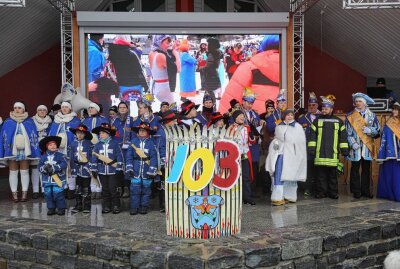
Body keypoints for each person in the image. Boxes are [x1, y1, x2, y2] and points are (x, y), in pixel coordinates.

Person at [219, 35, 280, 114]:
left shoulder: (249, 66)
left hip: (256, 118)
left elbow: (232, 98)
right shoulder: (298, 68)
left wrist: (224, 120)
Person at [308, 95, 349, 199]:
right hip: (319, 153)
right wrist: (311, 148)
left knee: (332, 176)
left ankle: (333, 193)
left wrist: (344, 150)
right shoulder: (317, 121)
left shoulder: (338, 121)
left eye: (326, 108)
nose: (324, 110)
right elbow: (312, 136)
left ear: (331, 109)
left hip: (333, 153)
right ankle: (321, 192)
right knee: (320, 176)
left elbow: (343, 137)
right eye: (323, 108)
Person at [0, 102, 41, 202]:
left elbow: (33, 135)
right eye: (15, 108)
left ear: (24, 109)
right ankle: (14, 194)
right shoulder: (8, 122)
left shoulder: (29, 122)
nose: (17, 109)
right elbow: (4, 135)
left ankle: (24, 193)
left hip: (25, 151)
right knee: (13, 172)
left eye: (19, 108)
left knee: (24, 171)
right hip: (12, 150)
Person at [266, 109, 307, 206]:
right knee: (279, 173)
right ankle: (277, 197)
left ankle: (290, 195)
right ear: (284, 116)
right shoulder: (279, 126)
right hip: (280, 154)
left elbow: (301, 142)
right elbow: (276, 139)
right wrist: (275, 147)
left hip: (292, 155)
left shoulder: (298, 127)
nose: (289, 117)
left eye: (291, 115)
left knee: (291, 174)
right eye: (287, 115)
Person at [345, 92, 380, 199]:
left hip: (367, 147)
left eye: (360, 101)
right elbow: (347, 132)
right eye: (356, 101)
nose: (358, 103)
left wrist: (370, 130)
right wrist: (352, 143)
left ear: (364, 103)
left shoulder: (372, 115)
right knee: (355, 170)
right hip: (355, 148)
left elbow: (378, 129)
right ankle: (356, 191)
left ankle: (366, 191)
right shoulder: (350, 116)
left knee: (366, 170)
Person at [48, 101, 81, 199]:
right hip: (58, 149)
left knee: (70, 168)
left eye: (66, 107)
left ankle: (71, 189)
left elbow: (78, 135)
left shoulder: (76, 121)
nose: (64, 109)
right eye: (63, 107)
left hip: (70, 147)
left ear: (70, 109)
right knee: (60, 168)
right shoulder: (56, 120)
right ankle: (63, 187)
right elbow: (51, 134)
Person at [126, 122, 158, 215]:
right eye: (140, 130)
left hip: (147, 170)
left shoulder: (151, 143)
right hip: (135, 169)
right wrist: (129, 168)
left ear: (148, 132)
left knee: (146, 190)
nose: (142, 132)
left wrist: (151, 170)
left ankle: (144, 206)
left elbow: (154, 157)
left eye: (144, 131)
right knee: (134, 190)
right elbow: (129, 156)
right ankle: (134, 207)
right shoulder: (133, 142)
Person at [91, 123, 123, 214]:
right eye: (100, 133)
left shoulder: (115, 144)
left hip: (112, 170)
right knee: (105, 189)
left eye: (103, 133)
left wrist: (119, 169)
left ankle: (116, 205)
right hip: (101, 170)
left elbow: (119, 157)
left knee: (113, 189)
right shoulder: (97, 145)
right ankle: (107, 205)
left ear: (108, 133)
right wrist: (94, 169)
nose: (100, 135)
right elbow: (94, 158)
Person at [105, 35, 148, 102]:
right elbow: (139, 71)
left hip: (121, 85)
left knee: (124, 106)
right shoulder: (132, 54)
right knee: (140, 105)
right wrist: (145, 85)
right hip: (136, 85)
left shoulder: (112, 54)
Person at [230, 109, 257, 205]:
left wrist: (252, 136)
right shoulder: (230, 128)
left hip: (245, 154)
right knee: (235, 177)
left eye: (243, 116)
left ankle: (247, 198)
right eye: (240, 116)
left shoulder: (247, 127)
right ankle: (235, 198)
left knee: (246, 177)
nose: (242, 117)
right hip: (235, 156)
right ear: (235, 118)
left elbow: (252, 142)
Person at [297, 92, 321, 196]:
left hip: (320, 147)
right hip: (306, 148)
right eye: (310, 105)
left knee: (319, 169)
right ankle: (307, 188)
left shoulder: (322, 116)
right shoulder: (302, 118)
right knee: (308, 169)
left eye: (314, 105)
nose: (312, 107)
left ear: (317, 105)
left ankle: (318, 188)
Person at [38, 136, 68, 216]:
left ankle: (61, 208)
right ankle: (51, 208)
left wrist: (55, 168)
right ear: (47, 146)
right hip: (47, 179)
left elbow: (64, 164)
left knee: (58, 193)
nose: (53, 146)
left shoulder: (60, 155)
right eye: (50, 145)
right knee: (48, 194)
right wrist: (44, 168)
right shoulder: (43, 157)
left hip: (58, 179)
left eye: (54, 144)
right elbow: (39, 166)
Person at [376, 102, 400, 201]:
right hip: (391, 154)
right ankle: (390, 194)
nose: (394, 111)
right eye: (393, 109)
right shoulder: (388, 123)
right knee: (391, 176)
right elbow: (384, 139)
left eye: (396, 109)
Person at [241, 88, 262, 196]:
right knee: (244, 170)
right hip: (242, 146)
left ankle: (252, 191)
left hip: (253, 147)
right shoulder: (238, 113)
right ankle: (244, 192)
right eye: (248, 103)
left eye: (252, 103)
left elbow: (258, 128)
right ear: (243, 101)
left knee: (254, 168)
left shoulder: (255, 114)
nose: (250, 105)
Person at [111, 101, 135, 198]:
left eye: (124, 107)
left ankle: (126, 188)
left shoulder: (132, 120)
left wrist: (131, 144)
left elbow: (134, 134)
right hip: (117, 148)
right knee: (118, 167)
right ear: (118, 109)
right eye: (120, 107)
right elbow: (112, 134)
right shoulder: (114, 121)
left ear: (127, 108)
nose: (122, 109)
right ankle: (119, 187)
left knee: (127, 167)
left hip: (128, 148)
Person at [157, 110, 178, 212]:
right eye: (173, 121)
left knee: (172, 182)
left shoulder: (173, 130)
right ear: (168, 121)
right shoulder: (161, 132)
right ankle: (163, 205)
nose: (175, 123)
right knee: (163, 184)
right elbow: (160, 147)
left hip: (173, 160)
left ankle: (171, 202)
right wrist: (163, 161)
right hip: (165, 162)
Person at [149, 35, 180, 104]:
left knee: (166, 110)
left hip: (157, 86)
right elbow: (178, 69)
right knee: (172, 110)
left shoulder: (152, 53)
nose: (169, 45)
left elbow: (168, 63)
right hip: (164, 87)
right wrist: (176, 53)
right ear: (159, 42)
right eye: (167, 43)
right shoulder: (161, 56)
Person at [69, 124, 93, 213]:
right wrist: (72, 168)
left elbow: (92, 156)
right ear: (75, 133)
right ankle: (78, 204)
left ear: (85, 134)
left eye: (82, 133)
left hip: (86, 168)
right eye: (78, 133)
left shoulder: (89, 144)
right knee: (78, 187)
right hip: (77, 168)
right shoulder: (73, 144)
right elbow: (71, 157)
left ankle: (87, 205)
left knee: (86, 187)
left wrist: (89, 165)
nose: (80, 135)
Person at [31, 105, 52, 199]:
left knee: (46, 167)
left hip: (47, 146)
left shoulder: (51, 121)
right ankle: (35, 190)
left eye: (44, 110)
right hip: (35, 146)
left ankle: (44, 189)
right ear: (37, 111)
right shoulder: (31, 121)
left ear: (47, 111)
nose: (42, 111)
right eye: (40, 110)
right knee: (35, 168)